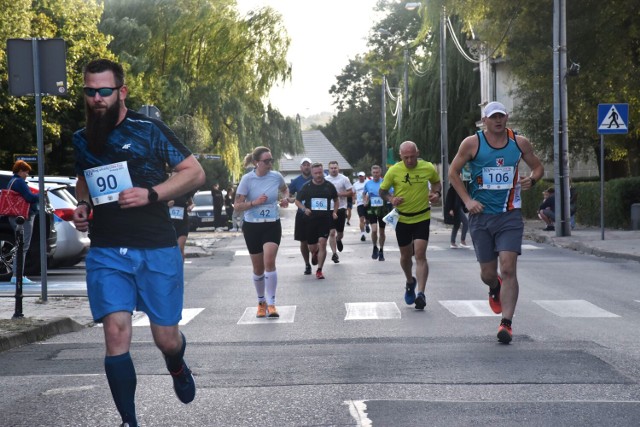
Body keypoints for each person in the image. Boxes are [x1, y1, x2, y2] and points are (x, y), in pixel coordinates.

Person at [72, 58, 205, 427]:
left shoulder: (149, 130)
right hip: (107, 249)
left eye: (104, 91)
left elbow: (194, 172)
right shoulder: (82, 138)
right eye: (90, 91)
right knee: (115, 331)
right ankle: (129, 421)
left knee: (166, 338)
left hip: (155, 246)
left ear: (121, 91)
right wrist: (82, 203)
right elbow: (84, 178)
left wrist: (152, 193)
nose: (96, 98)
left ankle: (176, 364)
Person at [449, 101, 544, 344]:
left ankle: (507, 323)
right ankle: (494, 287)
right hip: (480, 216)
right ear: (485, 120)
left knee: (509, 267)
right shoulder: (472, 143)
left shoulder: (519, 142)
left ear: (507, 118)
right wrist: (467, 200)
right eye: (493, 117)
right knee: (488, 273)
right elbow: (453, 173)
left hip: (509, 214)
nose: (498, 121)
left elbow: (538, 167)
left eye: (502, 116)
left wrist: (532, 180)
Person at [379, 142, 442, 310]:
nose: (409, 160)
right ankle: (409, 281)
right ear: (401, 156)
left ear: (417, 153)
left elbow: (437, 183)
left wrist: (436, 194)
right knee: (406, 257)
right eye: (405, 157)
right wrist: (392, 199)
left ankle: (421, 293)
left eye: (412, 156)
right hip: (403, 219)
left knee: (420, 254)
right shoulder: (394, 171)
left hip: (422, 216)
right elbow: (382, 191)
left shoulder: (427, 167)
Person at [234, 146, 289, 318]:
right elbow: (237, 206)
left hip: (272, 223)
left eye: (271, 160)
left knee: (269, 261)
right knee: (258, 268)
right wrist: (254, 203)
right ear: (257, 163)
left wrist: (286, 198)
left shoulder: (276, 176)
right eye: (266, 161)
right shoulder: (247, 179)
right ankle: (261, 302)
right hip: (252, 226)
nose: (270, 163)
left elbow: (285, 189)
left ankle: (271, 303)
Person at [294, 162, 338, 279]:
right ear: (312, 174)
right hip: (310, 220)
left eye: (320, 173)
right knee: (312, 247)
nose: (318, 175)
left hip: (324, 219)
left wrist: (334, 211)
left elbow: (336, 199)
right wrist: (304, 209)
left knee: (323, 242)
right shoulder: (307, 186)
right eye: (316, 173)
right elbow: (297, 201)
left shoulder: (329, 186)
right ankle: (315, 251)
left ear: (323, 172)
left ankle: (319, 270)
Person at [6, 160, 40, 284]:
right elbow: (29, 198)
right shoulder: (19, 182)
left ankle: (17, 275)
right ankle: (18, 275)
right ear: (20, 171)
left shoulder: (12, 181)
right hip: (22, 217)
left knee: (19, 245)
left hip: (13, 215)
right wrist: (40, 195)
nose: (27, 174)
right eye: (26, 172)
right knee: (23, 246)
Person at [324, 161, 353, 263]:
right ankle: (334, 254)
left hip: (341, 208)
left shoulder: (344, 179)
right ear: (328, 169)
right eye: (331, 168)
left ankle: (338, 239)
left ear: (338, 168)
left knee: (339, 233)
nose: (333, 170)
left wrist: (340, 194)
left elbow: (351, 192)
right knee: (331, 232)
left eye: (335, 168)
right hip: (329, 209)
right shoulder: (325, 180)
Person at [288, 158, 313, 274]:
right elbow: (290, 196)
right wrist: (290, 199)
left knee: (316, 241)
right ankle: (307, 264)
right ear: (301, 168)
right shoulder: (296, 181)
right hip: (302, 214)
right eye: (304, 165)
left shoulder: (317, 178)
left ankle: (315, 254)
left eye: (308, 165)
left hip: (316, 213)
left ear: (311, 166)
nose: (306, 167)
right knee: (303, 241)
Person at [363, 165, 390, 261]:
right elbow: (364, 193)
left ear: (380, 173)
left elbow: (391, 193)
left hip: (382, 209)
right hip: (372, 208)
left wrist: (390, 200)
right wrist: (365, 201)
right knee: (374, 230)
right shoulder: (368, 183)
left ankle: (381, 250)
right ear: (371, 173)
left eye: (377, 172)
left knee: (382, 231)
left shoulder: (384, 182)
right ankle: (375, 246)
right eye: (374, 173)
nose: (375, 174)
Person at [168, 191, 195, 260]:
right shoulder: (167, 192)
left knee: (180, 248)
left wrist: (190, 207)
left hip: (183, 224)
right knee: (170, 249)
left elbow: (192, 204)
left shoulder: (185, 192)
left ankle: (180, 269)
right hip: (169, 225)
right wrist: (167, 205)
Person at [352, 171, 369, 242]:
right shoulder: (355, 184)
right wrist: (353, 199)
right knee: (361, 218)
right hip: (360, 203)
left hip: (368, 203)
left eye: (362, 176)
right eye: (359, 176)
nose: (361, 177)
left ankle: (367, 225)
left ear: (364, 176)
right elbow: (353, 192)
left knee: (368, 219)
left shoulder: (368, 183)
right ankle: (363, 234)